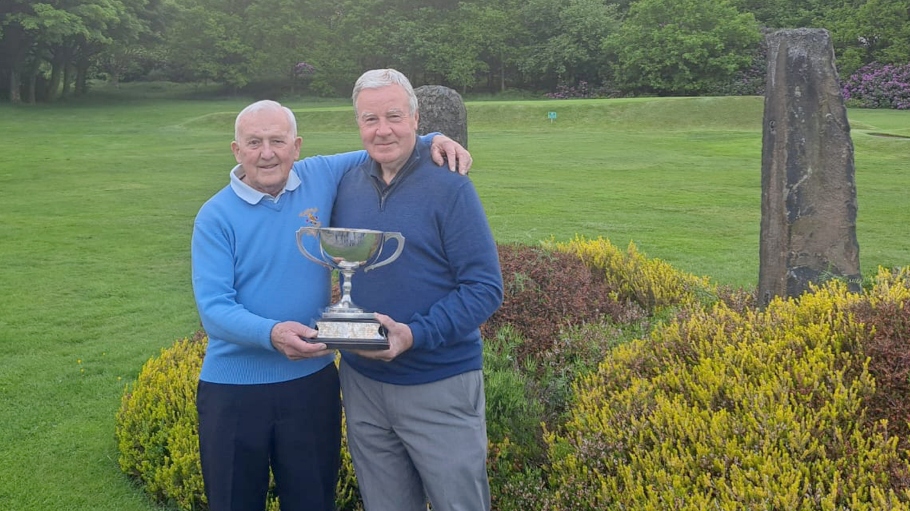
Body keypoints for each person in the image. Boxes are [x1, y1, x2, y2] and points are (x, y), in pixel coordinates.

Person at [190, 99, 471, 511]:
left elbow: (382, 143)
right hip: (233, 390)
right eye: (254, 142)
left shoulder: (319, 175)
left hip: (311, 383)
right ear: (236, 150)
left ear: (297, 146)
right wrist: (272, 334)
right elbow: (214, 309)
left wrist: (433, 138)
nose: (267, 153)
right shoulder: (214, 216)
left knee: (313, 501)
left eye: (277, 141)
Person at [331, 69, 503, 511]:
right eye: (370, 119)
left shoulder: (450, 185)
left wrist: (414, 334)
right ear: (358, 124)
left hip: (438, 384)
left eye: (394, 116)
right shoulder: (346, 180)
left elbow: (485, 287)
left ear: (415, 117)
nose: (382, 129)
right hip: (363, 384)